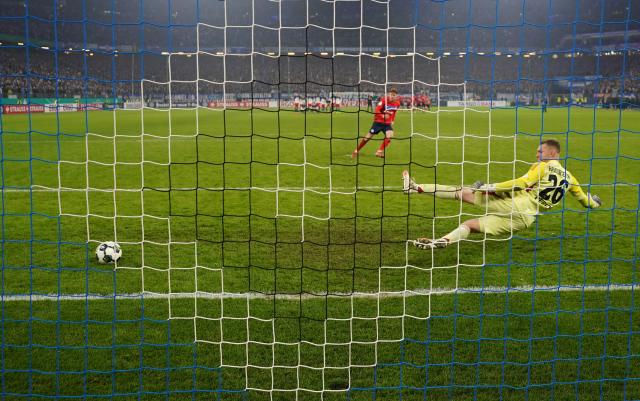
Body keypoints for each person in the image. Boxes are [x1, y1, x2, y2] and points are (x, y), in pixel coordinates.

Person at [402, 139, 602, 249]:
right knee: (471, 225)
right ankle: (442, 242)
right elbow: (585, 202)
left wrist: (490, 186)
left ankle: (415, 188)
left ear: (552, 153)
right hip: (527, 219)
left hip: (518, 205)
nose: (537, 155)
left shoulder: (545, 166)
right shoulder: (571, 178)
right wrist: (594, 202)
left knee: (463, 192)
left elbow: (521, 183)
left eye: (539, 152)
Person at [352, 88, 401, 158]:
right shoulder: (384, 100)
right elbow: (377, 110)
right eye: (391, 95)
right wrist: (383, 115)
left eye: (394, 95)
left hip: (387, 124)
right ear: (389, 94)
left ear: (396, 96)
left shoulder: (397, 103)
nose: (392, 96)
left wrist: (392, 120)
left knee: (389, 136)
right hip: (378, 122)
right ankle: (356, 150)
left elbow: (394, 112)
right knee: (367, 138)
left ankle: (379, 151)